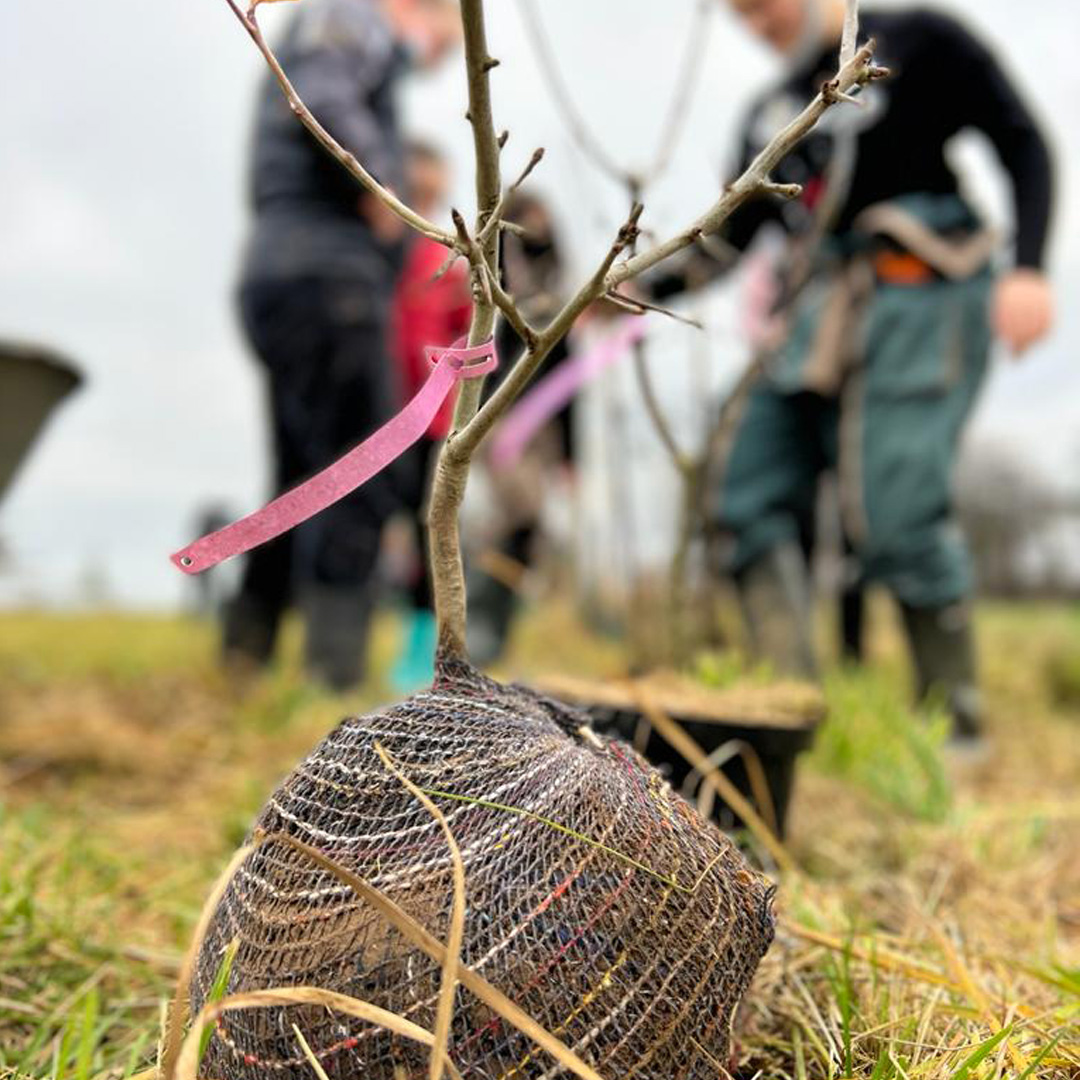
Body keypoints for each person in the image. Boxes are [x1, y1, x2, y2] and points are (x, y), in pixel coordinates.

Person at [691, 0, 1055, 742]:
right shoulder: (773, 113)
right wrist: (633, 289)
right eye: (740, 15)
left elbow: (1023, 143)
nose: (756, 25)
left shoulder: (919, 41)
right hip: (818, 315)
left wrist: (1029, 269)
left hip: (921, 294)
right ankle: (793, 714)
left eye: (761, 6)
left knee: (896, 511)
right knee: (741, 488)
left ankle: (957, 726)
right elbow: (727, 238)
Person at [221, 0, 461, 691]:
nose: (437, 59)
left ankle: (247, 655)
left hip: (287, 273)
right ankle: (335, 678)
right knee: (361, 472)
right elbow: (323, 94)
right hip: (329, 280)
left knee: (300, 478)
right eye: (446, 41)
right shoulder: (353, 17)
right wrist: (380, 193)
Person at [388, 140, 473, 691]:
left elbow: (471, 332)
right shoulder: (381, 252)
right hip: (378, 416)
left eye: (433, 187)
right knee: (381, 525)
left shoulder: (449, 259)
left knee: (427, 529)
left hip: (432, 421)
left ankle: (421, 649)